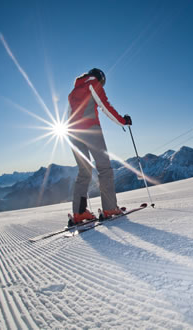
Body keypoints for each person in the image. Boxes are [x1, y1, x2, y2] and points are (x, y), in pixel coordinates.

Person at [68, 68, 132, 224]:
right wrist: (123, 121)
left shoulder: (74, 91)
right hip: (90, 130)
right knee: (104, 168)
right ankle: (110, 208)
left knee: (84, 171)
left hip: (72, 133)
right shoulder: (93, 83)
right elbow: (105, 106)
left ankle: (79, 212)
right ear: (100, 78)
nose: (102, 85)